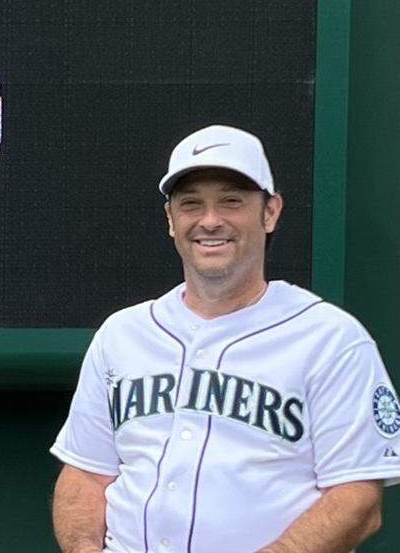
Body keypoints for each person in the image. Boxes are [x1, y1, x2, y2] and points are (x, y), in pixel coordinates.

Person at [50, 125, 400, 553]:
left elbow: (358, 500)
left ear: (270, 212)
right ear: (171, 220)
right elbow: (85, 474)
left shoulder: (331, 339)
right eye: (191, 204)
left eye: (231, 202)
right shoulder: (122, 334)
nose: (210, 220)